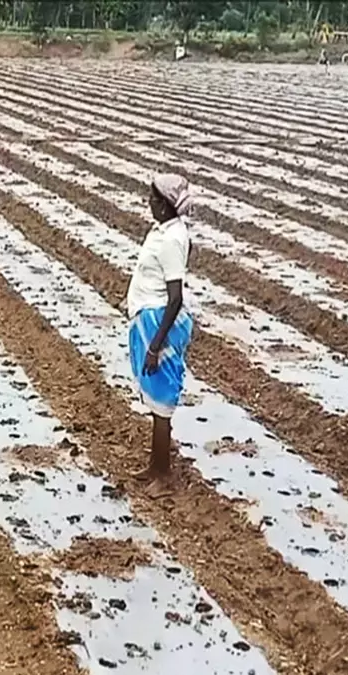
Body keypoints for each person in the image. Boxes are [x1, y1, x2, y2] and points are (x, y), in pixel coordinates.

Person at [127, 173, 196, 495]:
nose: (149, 203)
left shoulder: (171, 239)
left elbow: (175, 297)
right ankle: (155, 466)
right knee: (155, 400)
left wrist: (155, 346)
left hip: (159, 323)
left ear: (167, 205)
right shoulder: (164, 231)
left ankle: (164, 475)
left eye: (154, 200)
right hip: (150, 317)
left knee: (162, 403)